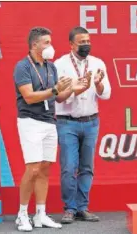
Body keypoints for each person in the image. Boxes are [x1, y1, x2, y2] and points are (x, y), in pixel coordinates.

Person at [13, 27, 72, 231]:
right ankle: (22, 214)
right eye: (46, 42)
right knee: (33, 168)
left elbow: (57, 97)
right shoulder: (22, 67)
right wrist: (55, 89)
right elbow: (29, 96)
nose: (50, 46)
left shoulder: (51, 67)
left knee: (45, 168)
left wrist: (71, 88)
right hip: (30, 121)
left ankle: (40, 215)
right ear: (34, 44)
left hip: (49, 121)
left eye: (50, 42)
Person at [54, 26, 111, 224]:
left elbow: (106, 94)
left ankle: (82, 207)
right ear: (71, 44)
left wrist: (98, 84)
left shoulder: (97, 63)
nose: (86, 45)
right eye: (82, 42)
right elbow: (57, 99)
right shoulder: (60, 64)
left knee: (87, 167)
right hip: (67, 122)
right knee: (69, 167)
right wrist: (75, 89)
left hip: (91, 122)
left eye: (88, 41)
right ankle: (69, 208)